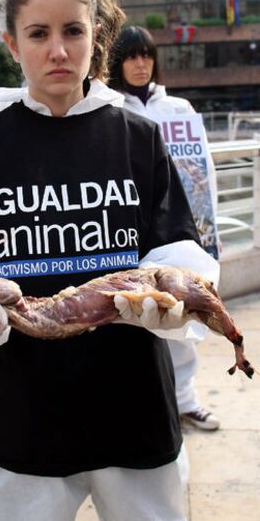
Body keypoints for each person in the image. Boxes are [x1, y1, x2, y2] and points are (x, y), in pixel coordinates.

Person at [0, 0, 219, 521]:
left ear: (95, 34)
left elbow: (177, 249)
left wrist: (182, 304)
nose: (57, 50)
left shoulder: (140, 139)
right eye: (37, 33)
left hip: (134, 406)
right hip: (21, 417)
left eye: (73, 31)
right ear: (12, 44)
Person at [108, 25, 220, 431]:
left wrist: (208, 231)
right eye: (131, 56)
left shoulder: (180, 110)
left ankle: (186, 400)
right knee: (136, 321)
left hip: (179, 229)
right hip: (132, 231)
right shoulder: (110, 112)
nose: (140, 64)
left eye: (147, 55)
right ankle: (147, 407)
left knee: (183, 317)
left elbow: (203, 173)